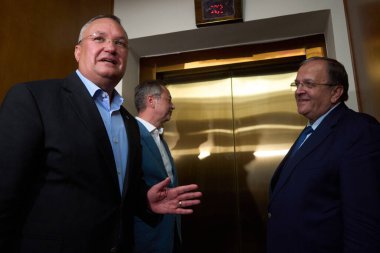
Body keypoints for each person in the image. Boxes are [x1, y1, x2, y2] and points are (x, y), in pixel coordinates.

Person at [0, 14, 201, 253]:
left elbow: (115, 193)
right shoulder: (34, 98)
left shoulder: (128, 122)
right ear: (77, 51)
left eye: (120, 43)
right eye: (99, 38)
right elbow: (5, 192)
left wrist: (145, 202)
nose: (110, 47)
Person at [267, 56, 380, 253]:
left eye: (309, 84)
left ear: (336, 92)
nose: (299, 91)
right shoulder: (312, 131)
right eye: (297, 84)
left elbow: (364, 220)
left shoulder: (358, 131)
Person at [133, 80, 180, 252]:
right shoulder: (130, 134)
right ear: (151, 100)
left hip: (169, 231)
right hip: (146, 235)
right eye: (169, 99)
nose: (173, 106)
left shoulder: (160, 138)